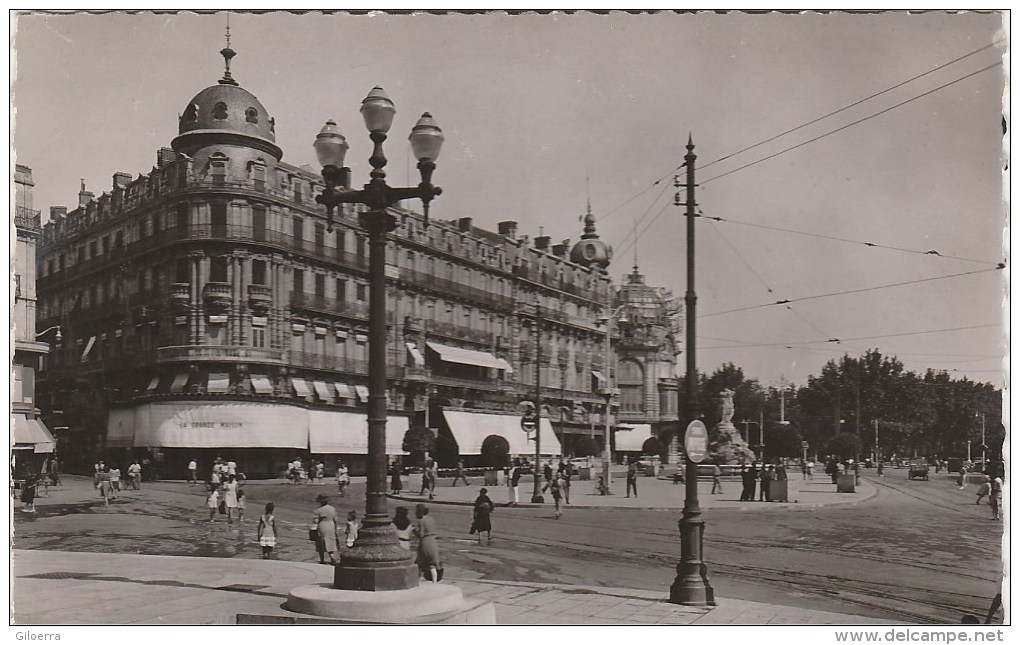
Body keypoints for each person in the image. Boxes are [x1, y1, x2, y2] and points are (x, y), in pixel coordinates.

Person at [414, 504, 441, 582]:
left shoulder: (421, 520)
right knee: (432, 565)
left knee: (419, 563)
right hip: (433, 543)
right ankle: (434, 581)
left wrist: (414, 531)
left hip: (425, 544)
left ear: (419, 512)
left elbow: (421, 534)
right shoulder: (432, 519)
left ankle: (416, 581)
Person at [312, 494, 339, 565]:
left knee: (321, 542)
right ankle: (332, 556)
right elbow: (335, 519)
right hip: (331, 525)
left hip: (322, 525)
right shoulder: (332, 508)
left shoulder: (317, 510)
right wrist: (335, 528)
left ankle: (322, 560)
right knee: (330, 541)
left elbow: (315, 521)